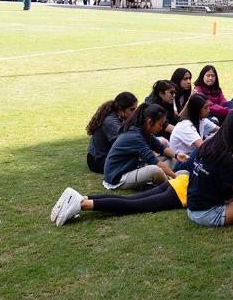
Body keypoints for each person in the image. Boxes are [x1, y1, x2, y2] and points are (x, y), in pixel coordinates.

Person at [103, 103, 189, 190]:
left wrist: (177, 155)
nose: (161, 128)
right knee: (154, 170)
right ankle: (173, 184)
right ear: (149, 122)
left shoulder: (144, 131)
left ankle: (162, 180)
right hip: (118, 178)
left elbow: (161, 149)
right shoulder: (135, 136)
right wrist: (175, 177)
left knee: (172, 158)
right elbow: (154, 161)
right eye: (160, 124)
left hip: (134, 168)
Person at [50, 174, 190, 227]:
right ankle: (82, 204)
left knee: (129, 200)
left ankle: (81, 198)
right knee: (133, 206)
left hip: (180, 182)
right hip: (181, 192)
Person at [86, 92, 138, 173]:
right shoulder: (111, 122)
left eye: (136, 109)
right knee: (135, 160)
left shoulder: (121, 116)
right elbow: (123, 146)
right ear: (121, 110)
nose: (135, 112)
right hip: (97, 161)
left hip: (106, 156)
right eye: (132, 109)